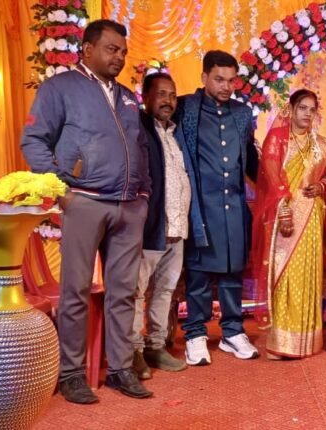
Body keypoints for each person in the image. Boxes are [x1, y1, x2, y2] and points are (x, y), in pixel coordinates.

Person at [21, 19, 152, 403]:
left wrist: (143, 194)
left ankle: (121, 369)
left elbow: (141, 148)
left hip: (129, 206)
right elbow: (34, 140)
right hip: (84, 201)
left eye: (123, 51)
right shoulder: (60, 88)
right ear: (88, 49)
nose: (119, 57)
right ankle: (72, 373)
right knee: (75, 290)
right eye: (112, 49)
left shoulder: (127, 97)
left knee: (123, 292)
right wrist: (61, 191)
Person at [176, 50, 259, 366]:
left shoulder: (242, 113)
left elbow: (250, 158)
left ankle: (232, 332)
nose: (226, 87)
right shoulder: (186, 107)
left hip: (234, 207)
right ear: (204, 78)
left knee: (232, 273)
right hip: (201, 206)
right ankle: (195, 334)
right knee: (198, 275)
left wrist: (278, 185)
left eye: (231, 80)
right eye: (219, 79)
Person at [251, 89, 326, 359]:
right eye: (302, 108)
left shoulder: (321, 144)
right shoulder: (277, 138)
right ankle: (282, 342)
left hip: (311, 217)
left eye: (312, 109)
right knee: (284, 273)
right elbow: (272, 177)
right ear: (292, 109)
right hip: (283, 215)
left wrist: (321, 186)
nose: (307, 114)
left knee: (308, 274)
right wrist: (284, 210)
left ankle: (305, 342)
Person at [131, 72, 189, 380]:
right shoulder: (138, 129)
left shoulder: (175, 133)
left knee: (165, 289)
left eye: (172, 95)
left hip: (177, 227)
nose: (168, 101)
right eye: (162, 94)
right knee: (137, 291)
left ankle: (156, 345)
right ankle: (133, 351)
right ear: (146, 97)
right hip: (149, 227)